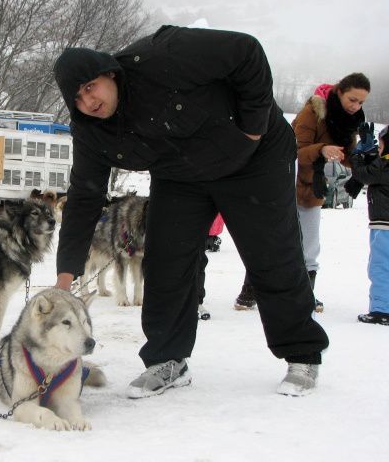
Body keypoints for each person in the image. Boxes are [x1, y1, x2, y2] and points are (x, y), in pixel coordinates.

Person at [53, 25, 329, 398]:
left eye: (91, 87)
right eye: (78, 98)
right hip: (181, 174)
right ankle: (168, 361)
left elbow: (247, 52)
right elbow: (84, 197)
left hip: (253, 156)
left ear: (110, 74)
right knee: (167, 260)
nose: (89, 101)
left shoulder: (163, 56)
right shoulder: (91, 131)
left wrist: (251, 127)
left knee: (271, 253)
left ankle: (302, 354)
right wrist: (65, 276)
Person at [293, 74, 370, 312]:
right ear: (339, 91)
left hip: (312, 186)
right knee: (276, 242)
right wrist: (322, 149)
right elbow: (293, 149)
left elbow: (346, 157)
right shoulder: (313, 112)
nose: (355, 106)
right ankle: (250, 293)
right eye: (352, 99)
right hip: (286, 182)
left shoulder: (348, 121)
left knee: (310, 245)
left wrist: (364, 154)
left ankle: (306, 296)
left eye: (361, 103)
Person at [349, 125, 389, 325]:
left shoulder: (384, 165)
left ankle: (381, 310)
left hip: (384, 227)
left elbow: (362, 174)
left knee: (380, 266)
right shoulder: (383, 164)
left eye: (381, 147)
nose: (379, 151)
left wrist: (357, 153)